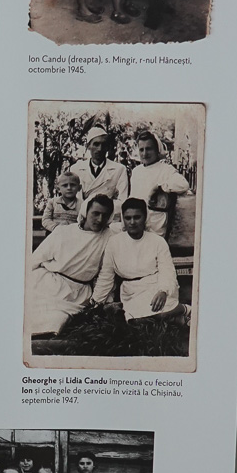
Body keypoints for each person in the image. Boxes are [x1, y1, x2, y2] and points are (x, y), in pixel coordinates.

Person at [28, 195, 114, 335]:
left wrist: (96, 303)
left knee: (55, 320)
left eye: (104, 215)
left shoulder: (109, 238)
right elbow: (36, 258)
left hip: (76, 294)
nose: (99, 219)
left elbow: (105, 275)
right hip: (46, 282)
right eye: (95, 213)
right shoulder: (64, 231)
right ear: (85, 212)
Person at [91, 198, 180, 321]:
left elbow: (167, 271)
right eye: (128, 218)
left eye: (137, 217)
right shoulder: (114, 243)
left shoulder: (158, 241)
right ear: (123, 219)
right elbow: (106, 276)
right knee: (135, 320)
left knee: (159, 314)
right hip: (130, 292)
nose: (132, 222)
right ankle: (178, 314)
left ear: (145, 218)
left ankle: (183, 309)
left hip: (155, 286)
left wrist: (163, 291)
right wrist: (95, 302)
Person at [129, 131, 191, 238]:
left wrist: (160, 187)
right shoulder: (136, 171)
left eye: (149, 149)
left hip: (155, 224)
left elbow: (183, 185)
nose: (145, 153)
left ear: (157, 150)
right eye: (141, 149)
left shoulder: (165, 169)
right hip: (136, 223)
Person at [70, 127, 129, 220]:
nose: (100, 149)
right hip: (83, 218)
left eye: (104, 145)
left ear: (108, 147)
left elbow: (122, 201)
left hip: (109, 219)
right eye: (96, 144)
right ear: (88, 146)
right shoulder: (76, 169)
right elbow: (75, 200)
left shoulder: (119, 169)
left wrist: (100, 208)